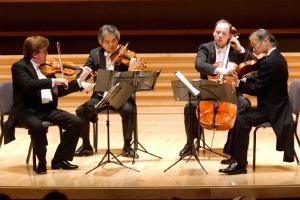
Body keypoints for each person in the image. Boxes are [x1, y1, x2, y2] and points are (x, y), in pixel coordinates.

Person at [2, 36, 92, 174]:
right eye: (45, 51)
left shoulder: (47, 69)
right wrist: (53, 82)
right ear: (34, 54)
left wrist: (80, 80)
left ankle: (59, 159)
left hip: (47, 109)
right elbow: (29, 85)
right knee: (37, 126)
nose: (48, 54)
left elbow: (59, 90)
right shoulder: (19, 67)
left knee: (76, 122)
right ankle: (41, 162)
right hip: (27, 110)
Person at [218, 29, 295, 175]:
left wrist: (238, 84)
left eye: (254, 45)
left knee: (242, 118)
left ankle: (240, 164)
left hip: (273, 110)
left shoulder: (270, 62)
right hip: (276, 105)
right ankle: (235, 157)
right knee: (241, 113)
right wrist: (245, 79)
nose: (253, 49)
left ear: (265, 42)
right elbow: (264, 80)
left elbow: (258, 89)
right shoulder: (276, 58)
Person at [179, 19, 252, 160]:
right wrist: (219, 69)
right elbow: (199, 64)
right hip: (208, 91)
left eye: (223, 33)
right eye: (217, 32)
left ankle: (231, 146)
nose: (219, 35)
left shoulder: (236, 51)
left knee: (244, 105)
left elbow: (253, 64)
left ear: (230, 35)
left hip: (230, 92)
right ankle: (190, 144)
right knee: (190, 106)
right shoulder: (205, 48)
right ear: (213, 32)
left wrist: (241, 49)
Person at [74, 24, 142, 158]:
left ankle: (127, 146)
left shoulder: (127, 55)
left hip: (120, 96)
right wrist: (83, 81)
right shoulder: (95, 54)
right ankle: (86, 146)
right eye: (107, 42)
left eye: (114, 41)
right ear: (101, 42)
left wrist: (131, 69)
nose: (112, 45)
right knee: (81, 111)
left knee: (129, 110)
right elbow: (83, 73)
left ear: (118, 39)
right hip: (100, 96)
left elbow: (133, 81)